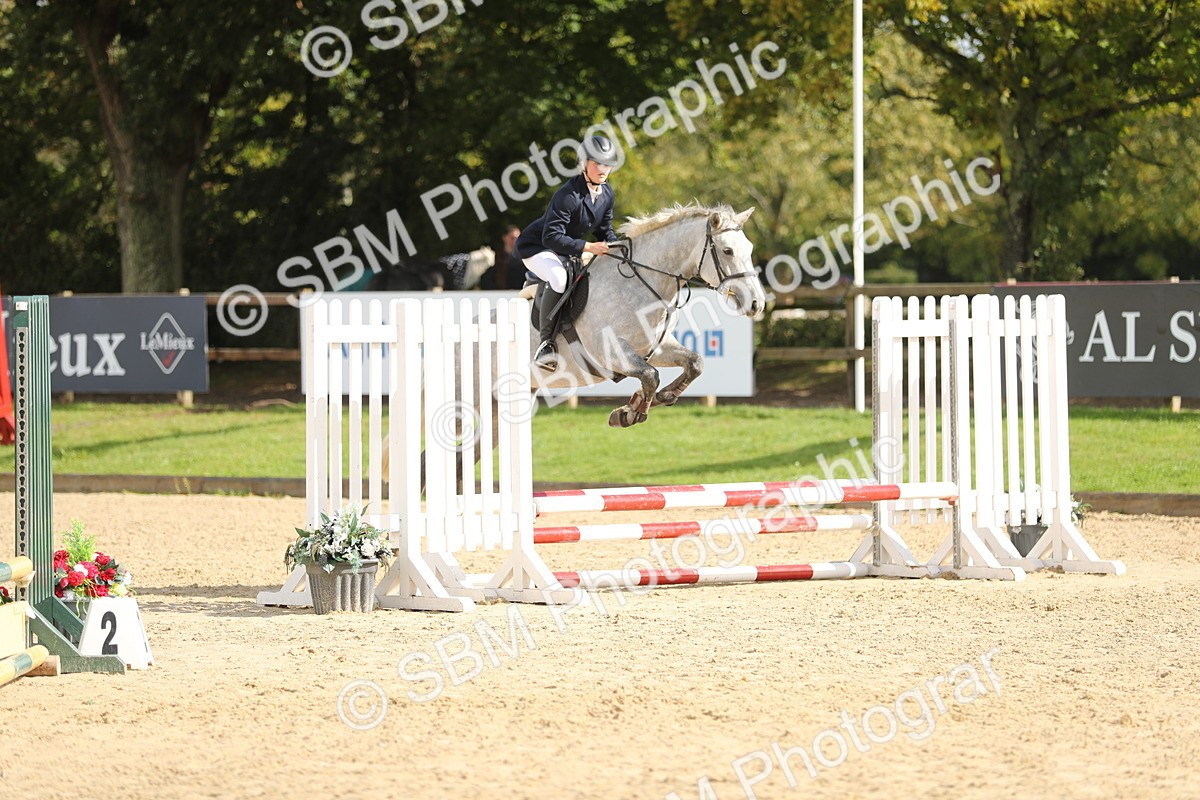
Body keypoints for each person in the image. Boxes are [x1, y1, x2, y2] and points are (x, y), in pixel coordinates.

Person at [515, 134, 620, 371]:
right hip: (537, 248)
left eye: (607, 164)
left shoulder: (607, 193)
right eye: (597, 163)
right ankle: (545, 345)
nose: (603, 169)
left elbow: (605, 231)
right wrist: (588, 247)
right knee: (559, 277)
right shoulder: (568, 195)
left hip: (564, 251)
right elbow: (551, 237)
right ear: (584, 164)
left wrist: (619, 248)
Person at [481, 225, 523, 290]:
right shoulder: (495, 257)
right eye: (512, 238)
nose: (515, 240)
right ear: (504, 238)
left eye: (517, 238)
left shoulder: (523, 259)